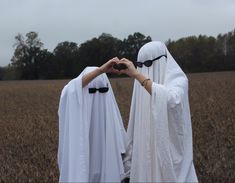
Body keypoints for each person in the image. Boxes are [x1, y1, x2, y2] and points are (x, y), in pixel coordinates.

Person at [118, 41, 198, 182]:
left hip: (170, 153)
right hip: (145, 156)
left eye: (147, 64)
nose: (144, 70)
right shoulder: (140, 85)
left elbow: (171, 100)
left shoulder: (179, 80)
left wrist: (137, 74)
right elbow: (134, 122)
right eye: (140, 65)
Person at [57, 58, 127, 182]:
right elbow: (71, 90)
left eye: (102, 90)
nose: (97, 95)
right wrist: (100, 71)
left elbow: (122, 144)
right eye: (92, 91)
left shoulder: (110, 112)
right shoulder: (73, 94)